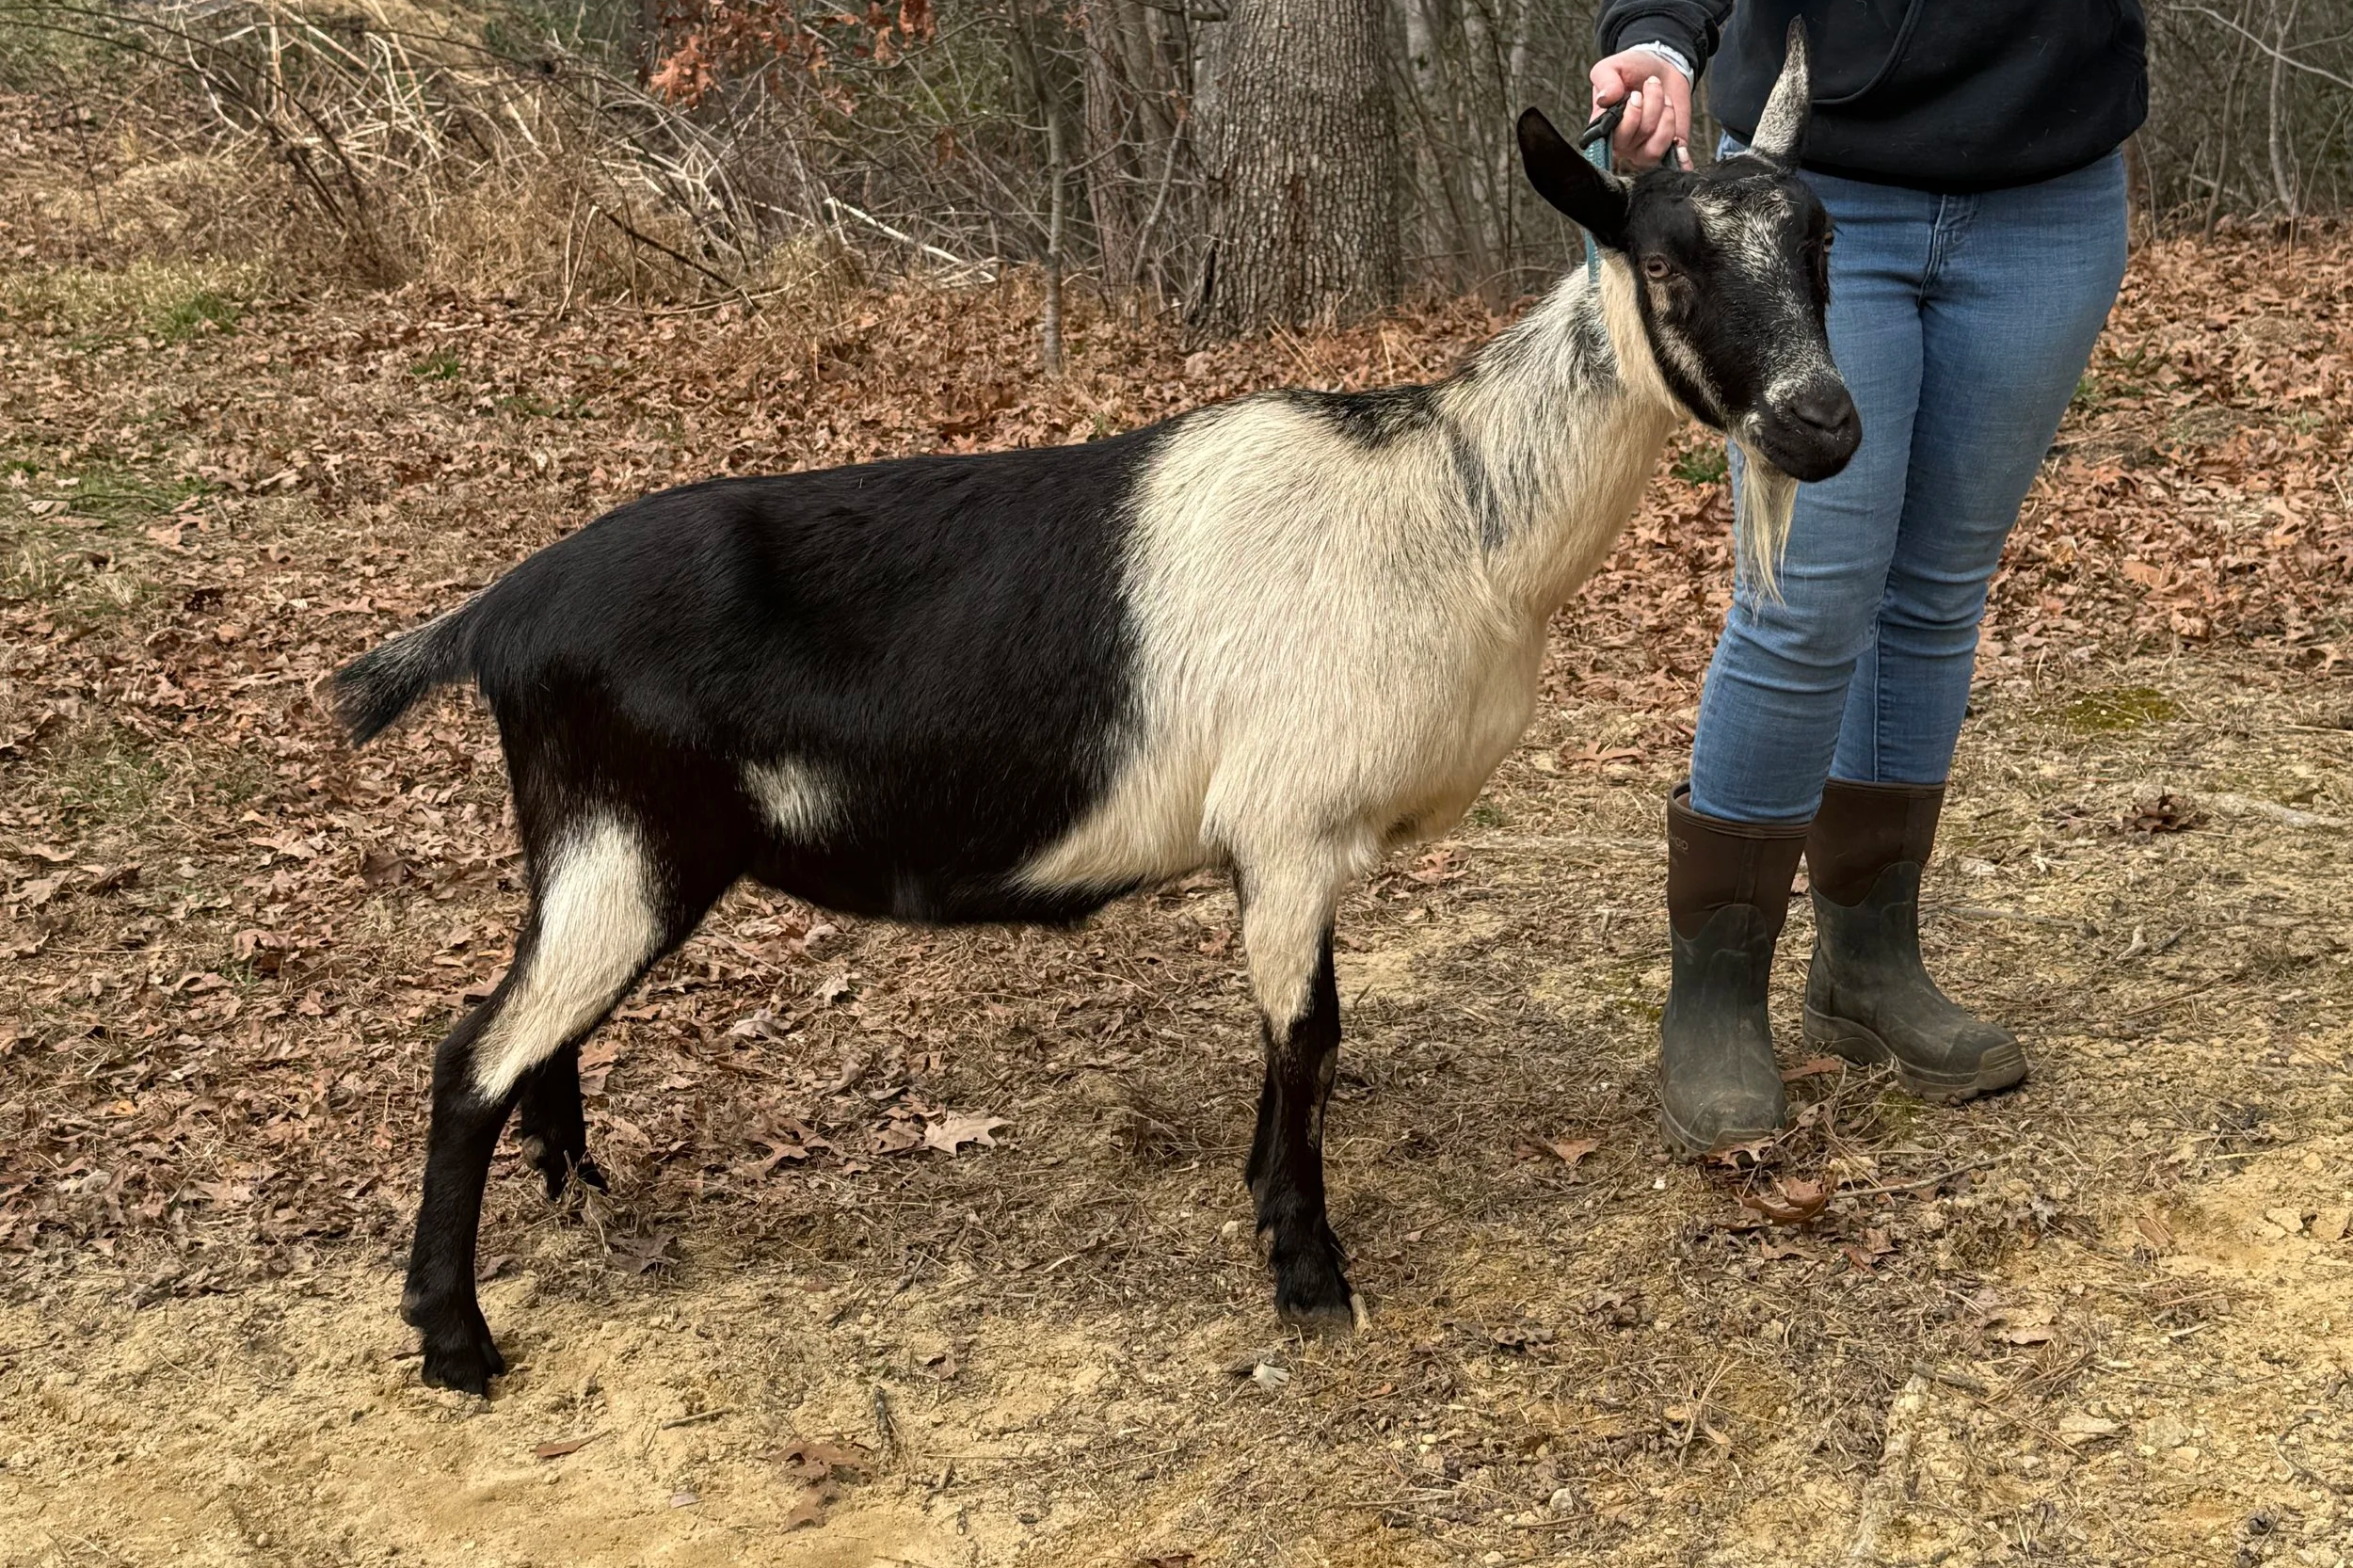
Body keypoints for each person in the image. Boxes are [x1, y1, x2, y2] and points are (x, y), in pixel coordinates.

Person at [1586, 2, 2149, 1153]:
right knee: (1806, 597)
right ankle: (1715, 998)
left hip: (2052, 197)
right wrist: (1655, 37)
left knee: (1936, 591)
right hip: (1809, 189)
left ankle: (1867, 965)